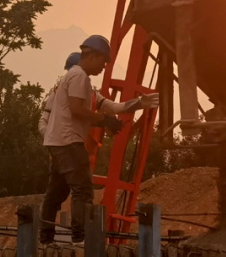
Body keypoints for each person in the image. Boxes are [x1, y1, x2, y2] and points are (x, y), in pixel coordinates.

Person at [39, 36, 158, 245]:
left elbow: (112, 107)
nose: (104, 67)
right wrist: (104, 120)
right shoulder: (78, 76)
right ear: (92, 56)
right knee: (82, 190)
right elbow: (77, 109)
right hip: (68, 142)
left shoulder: (82, 82)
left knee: (56, 192)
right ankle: (80, 239)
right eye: (103, 61)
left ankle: (45, 237)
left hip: (58, 142)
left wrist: (139, 103)